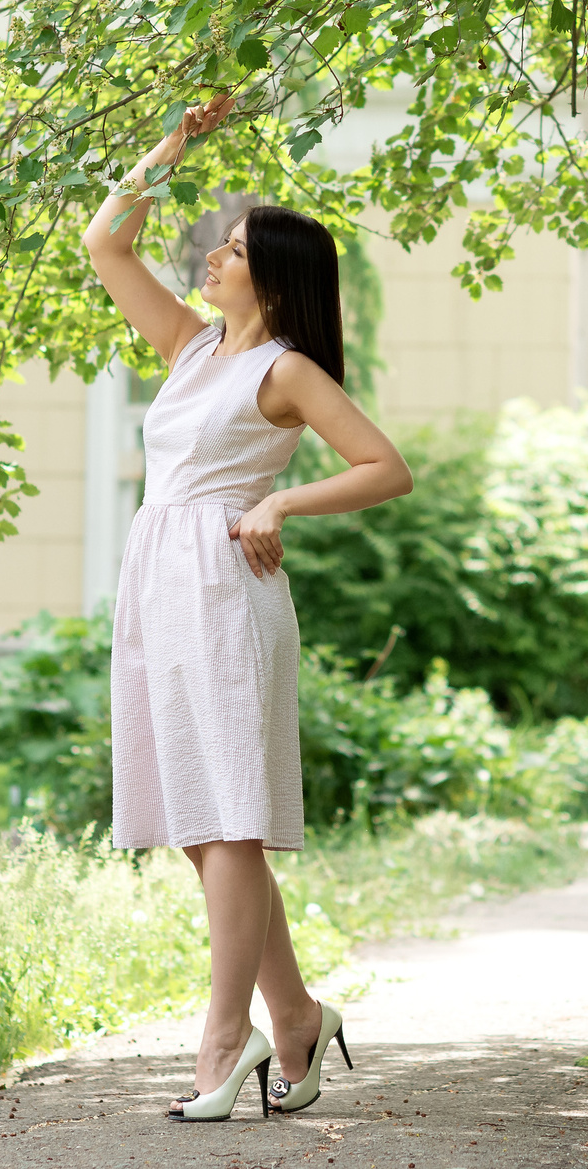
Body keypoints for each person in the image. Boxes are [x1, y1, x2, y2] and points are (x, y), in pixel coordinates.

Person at [82, 93, 413, 1122]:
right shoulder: (188, 346)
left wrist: (277, 495)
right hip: (156, 582)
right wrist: (174, 142)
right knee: (201, 822)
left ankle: (225, 1044)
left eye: (229, 249)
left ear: (271, 273)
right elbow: (105, 236)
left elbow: (383, 466)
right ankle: (297, 1014)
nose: (209, 260)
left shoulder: (288, 368)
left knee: (229, 819)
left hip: (227, 587)